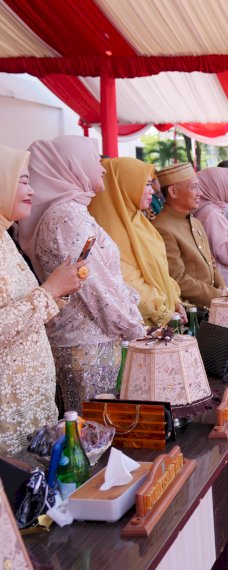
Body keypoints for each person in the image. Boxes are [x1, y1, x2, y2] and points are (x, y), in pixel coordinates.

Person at [19, 135, 144, 412]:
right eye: (95, 161)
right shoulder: (67, 217)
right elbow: (94, 287)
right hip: (86, 346)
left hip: (92, 341)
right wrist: (135, 330)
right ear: (73, 167)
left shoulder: (75, 211)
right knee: (95, 427)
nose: (102, 168)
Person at [0, 143, 85, 454]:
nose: (32, 191)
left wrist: (58, 293)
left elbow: (20, 308)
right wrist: (50, 291)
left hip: (30, 401)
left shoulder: (4, 236)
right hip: (9, 408)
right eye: (22, 181)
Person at [88, 157, 183, 327]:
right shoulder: (108, 231)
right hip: (140, 326)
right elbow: (129, 281)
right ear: (124, 186)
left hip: (166, 318)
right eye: (146, 184)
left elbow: (161, 270)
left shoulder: (140, 222)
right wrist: (162, 312)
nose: (152, 191)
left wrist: (175, 300)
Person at [152, 163, 226, 310]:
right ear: (173, 192)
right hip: (190, 312)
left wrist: (222, 287)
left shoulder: (195, 222)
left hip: (213, 304)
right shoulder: (161, 227)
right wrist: (217, 295)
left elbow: (210, 262)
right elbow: (177, 278)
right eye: (194, 187)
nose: (200, 193)